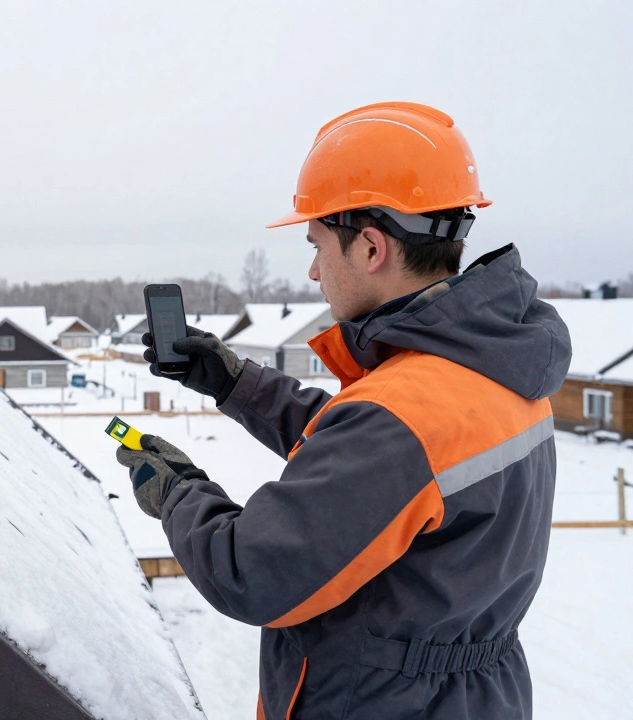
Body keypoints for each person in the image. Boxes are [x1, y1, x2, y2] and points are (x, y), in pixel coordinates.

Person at [116, 102, 571, 719]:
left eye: (317, 244)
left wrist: (176, 492)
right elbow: (377, 466)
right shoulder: (497, 364)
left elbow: (250, 570)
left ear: (372, 247)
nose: (311, 270)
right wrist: (234, 382)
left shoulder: (402, 415)